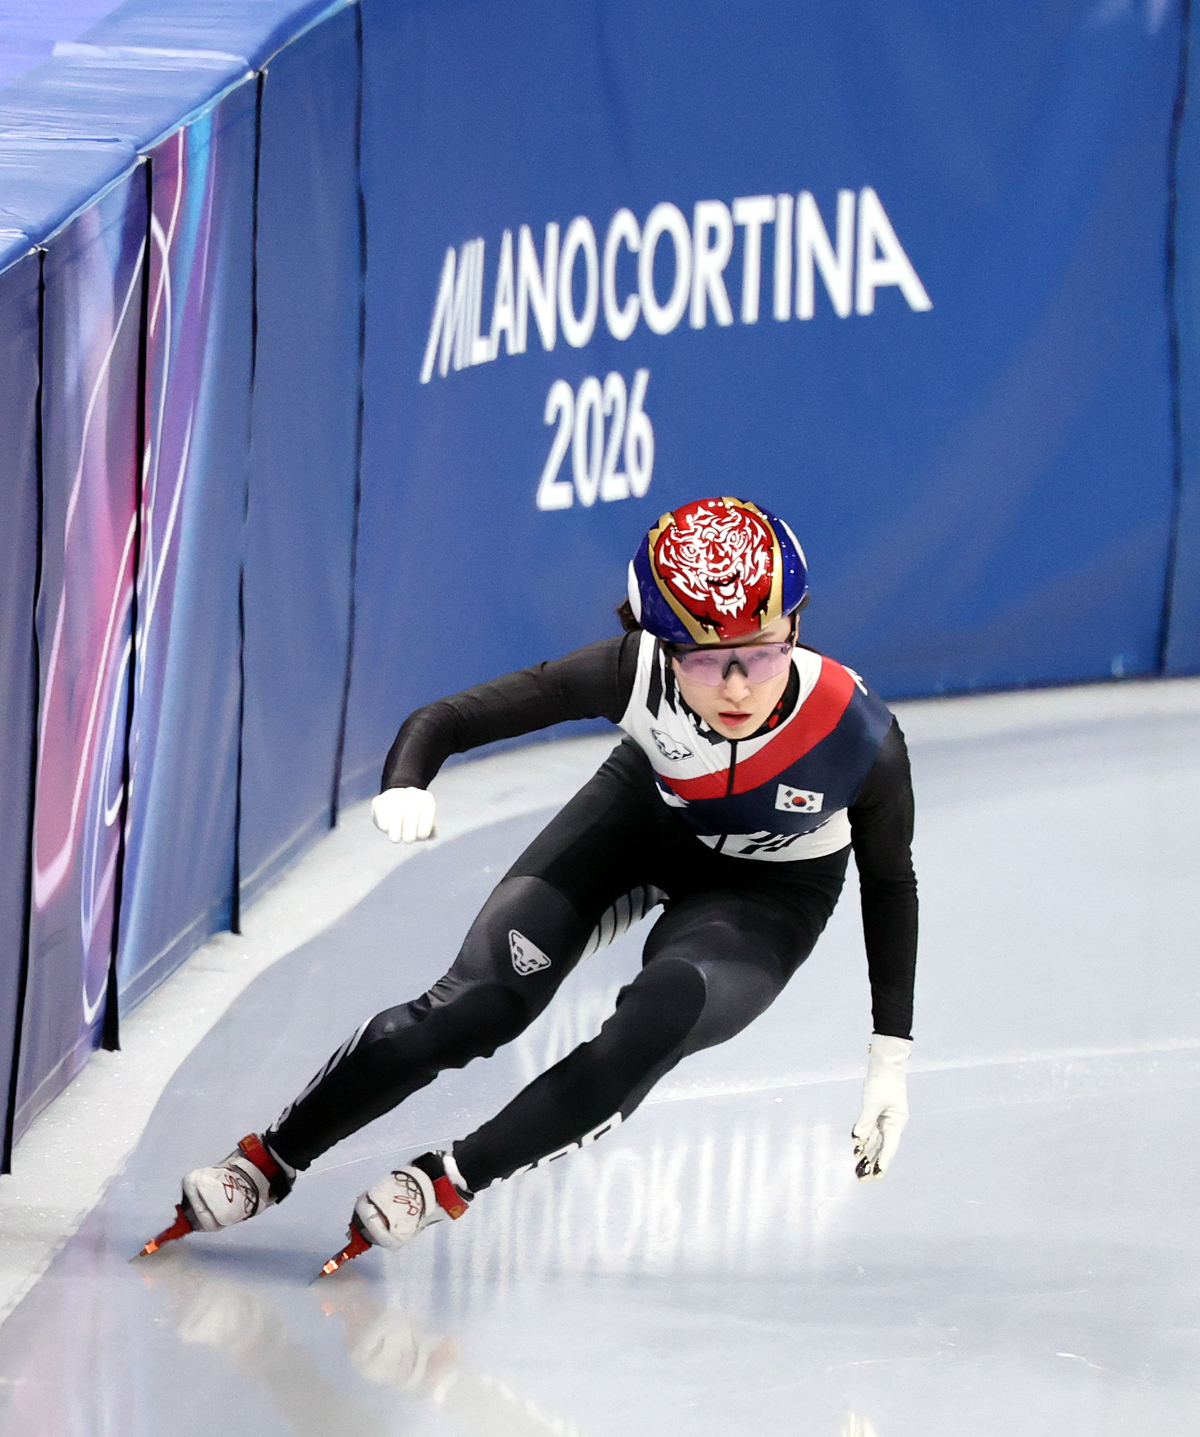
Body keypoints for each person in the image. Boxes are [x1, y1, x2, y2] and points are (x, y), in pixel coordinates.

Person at [154, 496, 917, 1266]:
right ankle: (269, 1157)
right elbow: (449, 718)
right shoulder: (632, 673)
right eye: (704, 660)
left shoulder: (860, 737)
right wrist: (407, 779)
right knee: (471, 1008)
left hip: (768, 892)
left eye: (762, 653)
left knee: (657, 1016)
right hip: (641, 821)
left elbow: (890, 881)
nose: (738, 687)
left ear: (797, 628)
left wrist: (890, 1056)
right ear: (657, 646)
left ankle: (450, 1178)